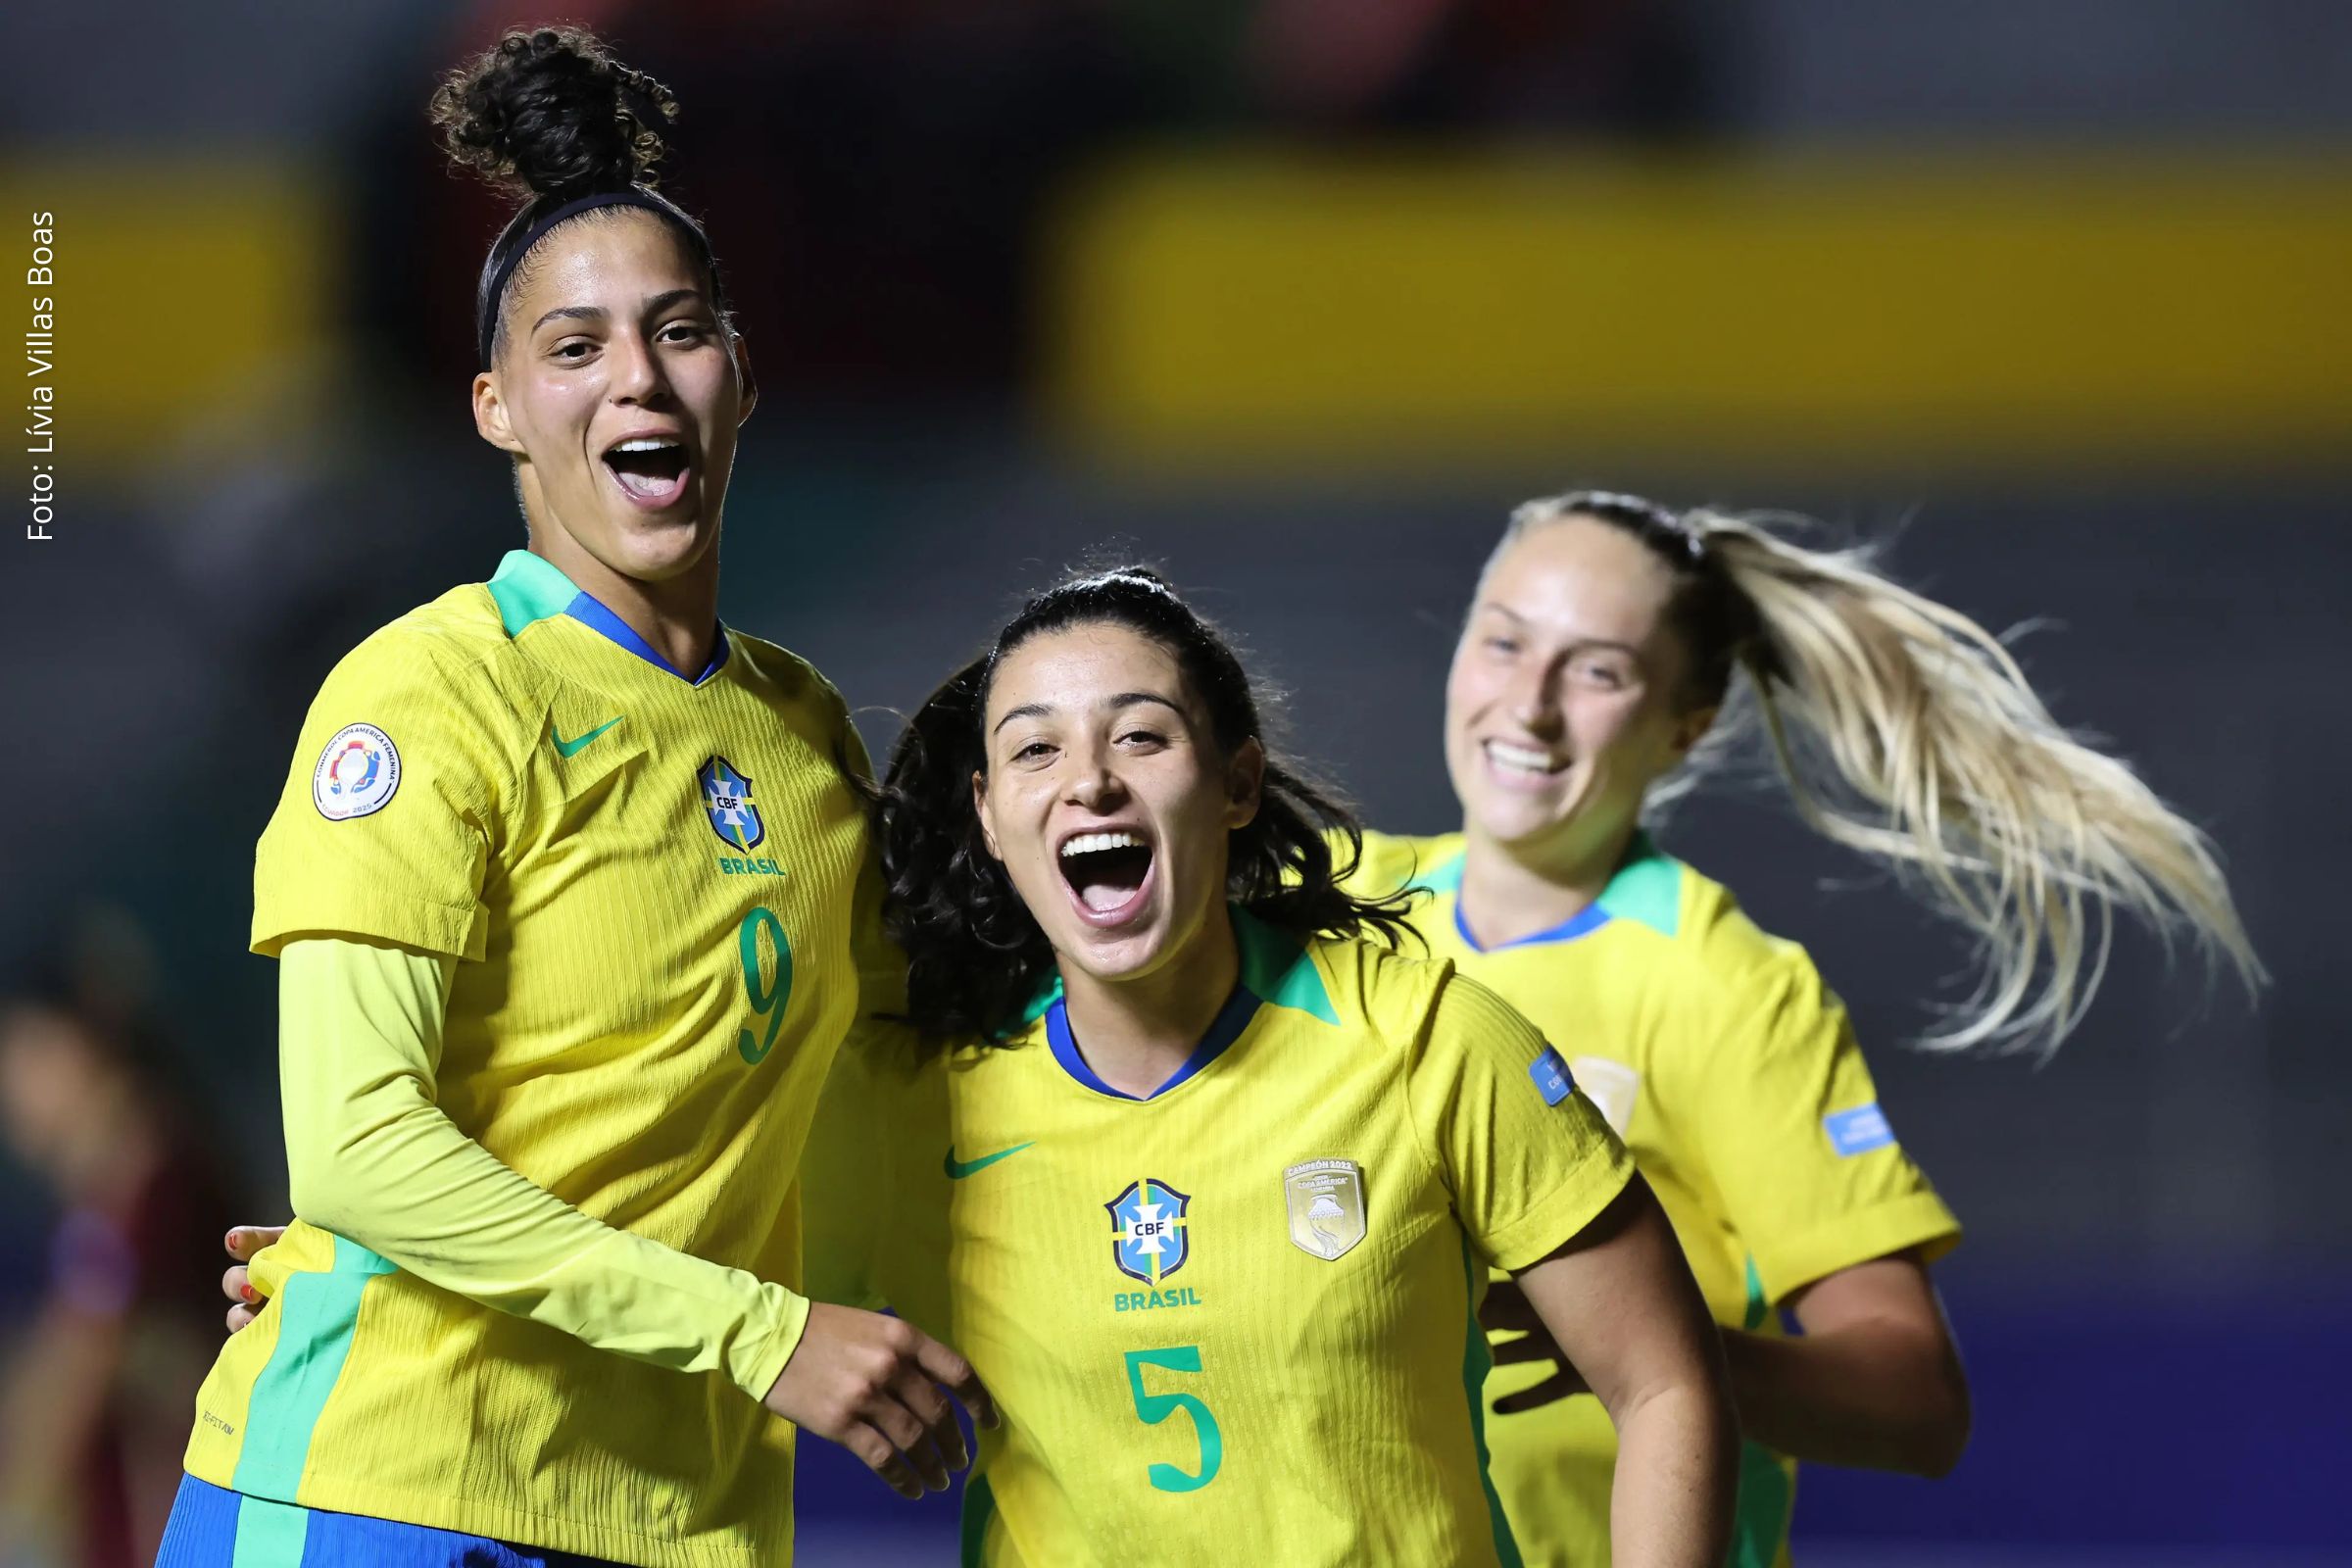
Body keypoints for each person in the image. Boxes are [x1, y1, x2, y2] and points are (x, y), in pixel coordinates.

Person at [159, 27, 985, 1567]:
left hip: (684, 1525)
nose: (637, 375)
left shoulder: (803, 731)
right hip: (378, 1496)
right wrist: (762, 1335)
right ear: (496, 409)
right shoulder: (432, 693)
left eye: (678, 330)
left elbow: (910, 1084)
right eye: (575, 345)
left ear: (738, 375)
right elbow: (359, 1153)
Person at [1343, 491, 2264, 1567]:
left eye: (1597, 671)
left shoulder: (1726, 985)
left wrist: (1641, 1344)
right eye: (1503, 641)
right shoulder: (1334, 911)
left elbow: (1916, 1399)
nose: (1530, 704)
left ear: (1683, 729)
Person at [802, 566, 1739, 1566]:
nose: (1090, 780)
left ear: (1237, 782)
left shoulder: (1432, 1042)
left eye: (1141, 735)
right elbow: (693, 1296)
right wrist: (776, 1340)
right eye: (1037, 748)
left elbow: (1667, 1385)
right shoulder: (912, 1103)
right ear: (990, 817)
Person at [0, 988, 234, 1568]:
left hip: (174, 1517)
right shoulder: (106, 1191)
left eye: (32, 1056)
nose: (16, 1092)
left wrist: (19, 1501)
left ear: (88, 1044)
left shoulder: (147, 1176)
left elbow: (86, 1354)